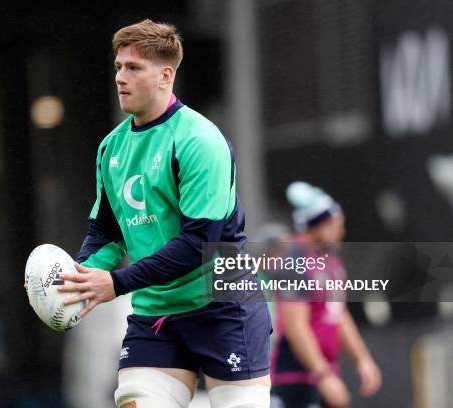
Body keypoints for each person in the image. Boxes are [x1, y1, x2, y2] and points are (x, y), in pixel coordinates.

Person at [56, 19, 271, 408]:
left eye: (134, 67)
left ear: (165, 75)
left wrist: (116, 283)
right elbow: (107, 230)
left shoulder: (199, 140)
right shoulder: (111, 148)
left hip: (223, 309)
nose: (121, 77)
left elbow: (198, 243)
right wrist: (77, 277)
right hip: (157, 316)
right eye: (119, 66)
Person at [270, 182, 382, 408]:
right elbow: (296, 327)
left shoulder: (331, 262)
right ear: (317, 225)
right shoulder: (295, 261)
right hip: (296, 378)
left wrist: (362, 359)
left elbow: (338, 314)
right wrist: (323, 375)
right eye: (335, 225)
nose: (341, 232)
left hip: (324, 372)